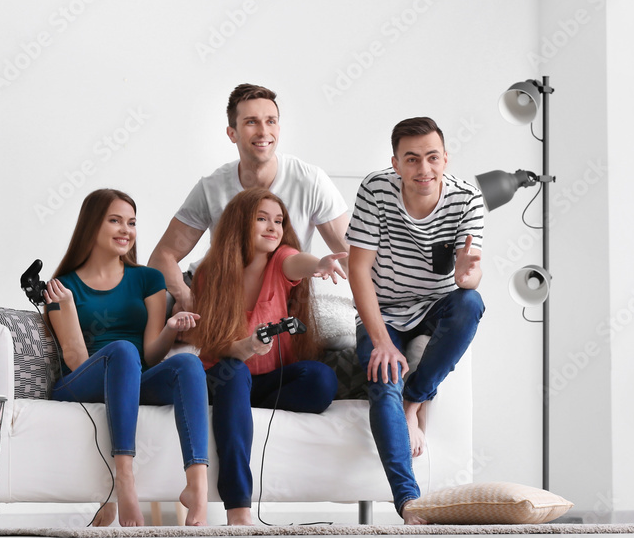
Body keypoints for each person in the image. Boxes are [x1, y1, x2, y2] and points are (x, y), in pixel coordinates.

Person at [346, 117, 485, 524]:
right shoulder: (375, 190)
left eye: (432, 158)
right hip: (384, 311)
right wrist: (381, 341)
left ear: (445, 158)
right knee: (382, 378)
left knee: (471, 302)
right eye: (412, 159)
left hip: (435, 306)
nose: (424, 169)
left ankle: (415, 399)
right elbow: (358, 270)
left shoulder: (467, 199)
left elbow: (470, 278)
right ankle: (409, 502)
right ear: (395, 163)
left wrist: (466, 274)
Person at [42, 189, 209, 527]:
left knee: (188, 364)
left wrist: (170, 330)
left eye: (131, 223)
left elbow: (151, 354)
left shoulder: (148, 279)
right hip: (82, 381)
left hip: (133, 378)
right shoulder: (63, 286)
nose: (126, 230)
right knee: (122, 350)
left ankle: (196, 485)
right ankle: (124, 480)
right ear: (92, 226)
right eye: (115, 221)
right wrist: (68, 306)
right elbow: (76, 360)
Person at [186, 187, 344, 526]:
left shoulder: (281, 259)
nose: (273, 227)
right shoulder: (209, 273)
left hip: (270, 382)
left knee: (321, 379)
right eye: (262, 219)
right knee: (234, 371)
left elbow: (297, 262)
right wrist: (246, 347)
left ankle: (241, 408)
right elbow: (215, 343)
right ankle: (238, 510)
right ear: (240, 222)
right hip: (224, 377)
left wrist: (320, 263)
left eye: (279, 220)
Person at [148, 83, 350, 314]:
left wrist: (371, 314)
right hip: (213, 288)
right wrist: (186, 297)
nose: (263, 131)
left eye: (271, 121)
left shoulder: (311, 181)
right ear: (232, 133)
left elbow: (350, 257)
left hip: (275, 296)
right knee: (152, 303)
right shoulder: (212, 187)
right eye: (251, 122)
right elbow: (162, 256)